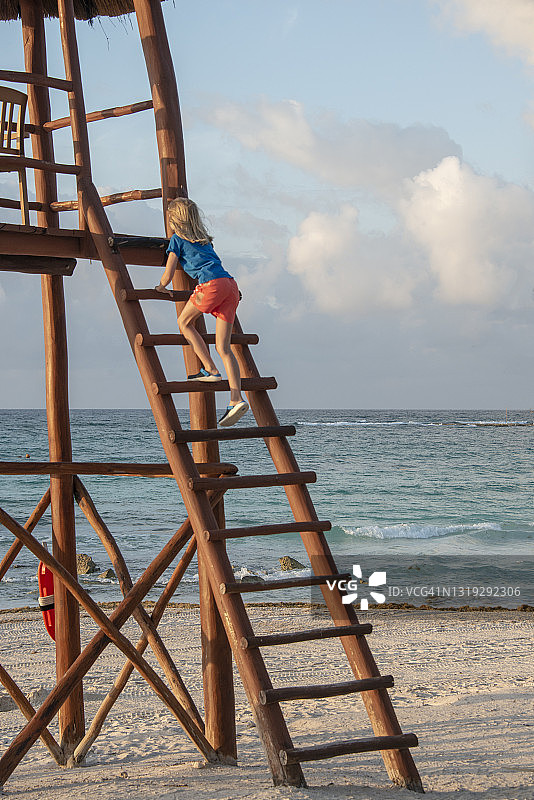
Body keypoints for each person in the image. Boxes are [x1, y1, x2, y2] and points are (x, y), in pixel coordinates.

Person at [155, 197, 249, 427]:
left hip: (210, 285)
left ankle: (210, 369)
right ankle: (236, 399)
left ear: (174, 220)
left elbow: (168, 274)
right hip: (230, 285)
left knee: (184, 323)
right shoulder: (205, 241)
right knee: (224, 347)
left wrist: (160, 287)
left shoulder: (177, 240)